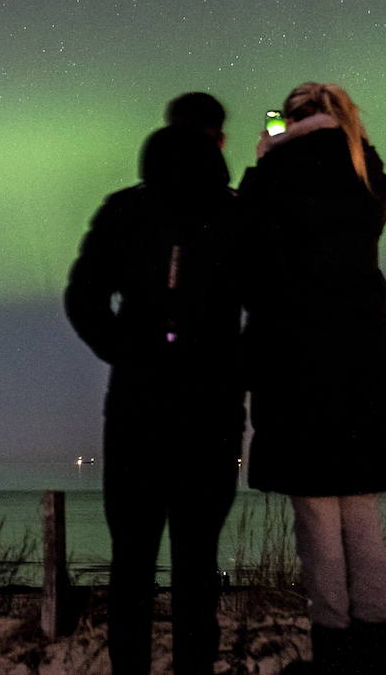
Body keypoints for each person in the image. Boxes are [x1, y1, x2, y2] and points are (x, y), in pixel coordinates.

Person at [65, 119, 246, 675]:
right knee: (197, 562)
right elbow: (272, 303)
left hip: (135, 412)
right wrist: (234, 366)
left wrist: (125, 350)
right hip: (210, 412)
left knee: (132, 564)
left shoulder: (123, 211)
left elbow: (82, 297)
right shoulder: (238, 214)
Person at [240, 82, 386, 674]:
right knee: (361, 512)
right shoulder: (364, 167)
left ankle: (333, 646)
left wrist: (265, 156)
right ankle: (372, 650)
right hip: (361, 359)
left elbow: (248, 242)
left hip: (297, 359)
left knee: (317, 516)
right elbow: (375, 206)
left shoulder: (278, 172)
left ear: (291, 117)